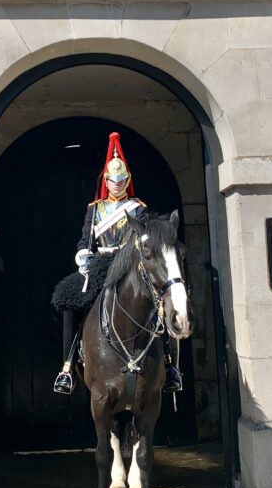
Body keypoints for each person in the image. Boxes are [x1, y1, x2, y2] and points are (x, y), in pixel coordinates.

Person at [53, 131, 183, 395]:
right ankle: (67, 368)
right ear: (107, 181)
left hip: (130, 265)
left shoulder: (138, 208)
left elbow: (145, 240)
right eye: (113, 180)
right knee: (69, 299)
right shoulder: (96, 209)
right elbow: (85, 241)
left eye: (121, 180)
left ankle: (170, 366)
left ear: (127, 180)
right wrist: (83, 256)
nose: (117, 184)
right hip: (101, 264)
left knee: (162, 303)